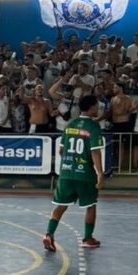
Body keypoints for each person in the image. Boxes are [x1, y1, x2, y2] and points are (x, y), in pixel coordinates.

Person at [43, 95, 105, 252]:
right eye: (96, 105)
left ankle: (49, 234)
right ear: (91, 107)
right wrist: (100, 173)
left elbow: (61, 150)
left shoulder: (71, 124)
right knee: (90, 205)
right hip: (84, 175)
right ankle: (88, 238)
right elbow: (95, 152)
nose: (98, 108)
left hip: (66, 173)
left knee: (61, 205)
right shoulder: (93, 126)